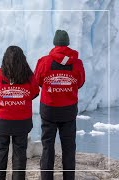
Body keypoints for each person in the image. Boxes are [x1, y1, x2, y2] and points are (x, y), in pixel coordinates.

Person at [34, 30, 85, 180]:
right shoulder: (76, 63)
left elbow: (38, 80)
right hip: (68, 110)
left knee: (47, 146)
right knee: (69, 147)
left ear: (54, 43)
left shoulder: (44, 61)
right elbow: (80, 82)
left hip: (49, 109)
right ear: (67, 43)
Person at [0, 46, 40, 180]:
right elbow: (34, 93)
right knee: (20, 154)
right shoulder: (29, 77)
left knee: (0, 153)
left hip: (2, 120)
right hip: (22, 121)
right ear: (23, 60)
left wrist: (7, 99)